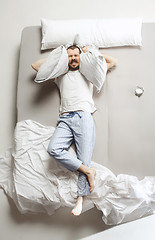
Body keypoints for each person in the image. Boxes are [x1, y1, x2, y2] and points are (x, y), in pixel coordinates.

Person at [32, 45, 117, 216]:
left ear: (80, 57)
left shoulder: (89, 72)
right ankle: (87, 170)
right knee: (53, 149)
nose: (73, 59)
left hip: (83, 117)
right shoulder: (60, 74)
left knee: (84, 157)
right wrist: (60, 55)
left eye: (75, 56)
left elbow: (113, 62)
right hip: (64, 118)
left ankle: (80, 199)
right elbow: (36, 66)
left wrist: (88, 53)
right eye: (70, 56)